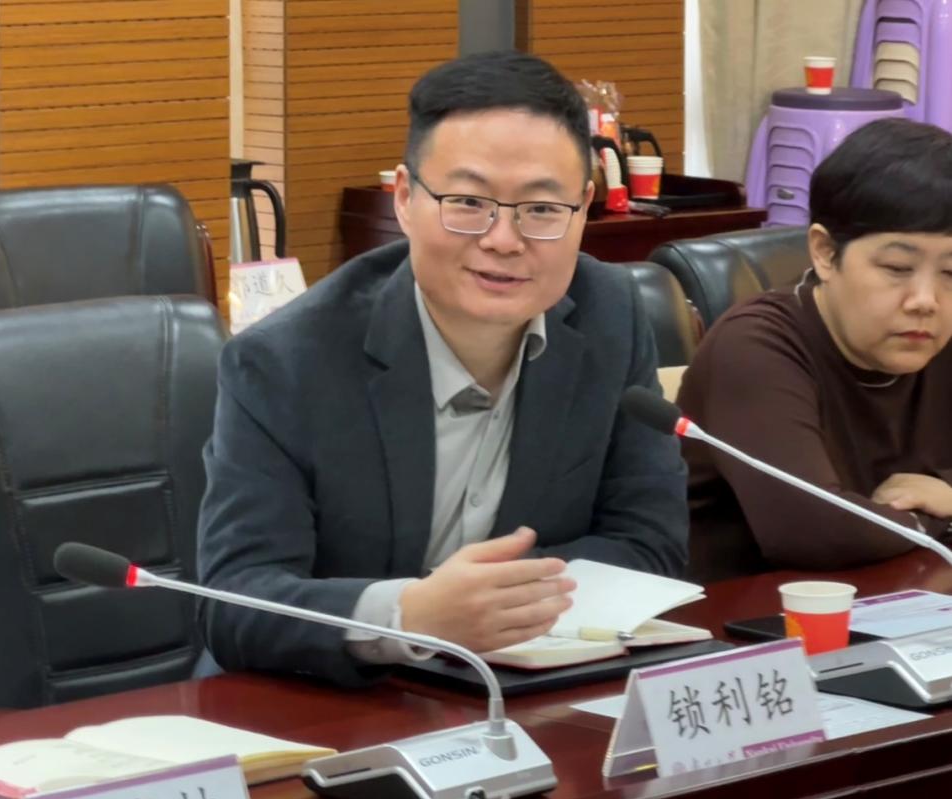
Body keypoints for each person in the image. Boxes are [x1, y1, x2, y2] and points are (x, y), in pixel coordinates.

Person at [197, 50, 688, 686]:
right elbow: (235, 601)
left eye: (542, 209)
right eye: (468, 202)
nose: (504, 240)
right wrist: (410, 616)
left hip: (525, 687)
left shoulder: (610, 318)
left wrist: (488, 608)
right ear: (405, 199)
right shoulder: (283, 362)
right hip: (327, 703)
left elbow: (651, 542)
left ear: (584, 207)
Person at [678, 118, 952, 582]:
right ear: (824, 252)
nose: (925, 301)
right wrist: (938, 519)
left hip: (910, 601)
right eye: (897, 267)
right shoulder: (754, 347)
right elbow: (816, 531)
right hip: (747, 613)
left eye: (951, 272)